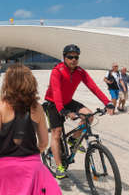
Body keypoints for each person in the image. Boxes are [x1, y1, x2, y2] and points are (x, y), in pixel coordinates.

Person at [0, 64, 62, 195]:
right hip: (31, 167)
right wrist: (31, 155)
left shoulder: (0, 106)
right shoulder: (37, 108)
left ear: (8, 83)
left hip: (5, 166)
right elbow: (44, 142)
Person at [44, 44, 114, 179]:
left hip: (68, 101)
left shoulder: (80, 72)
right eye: (70, 57)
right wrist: (63, 111)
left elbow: (93, 87)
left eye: (76, 57)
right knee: (56, 133)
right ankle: (59, 167)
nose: (73, 60)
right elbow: (57, 92)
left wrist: (107, 102)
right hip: (53, 103)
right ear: (64, 58)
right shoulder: (57, 71)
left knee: (89, 116)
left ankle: (73, 139)